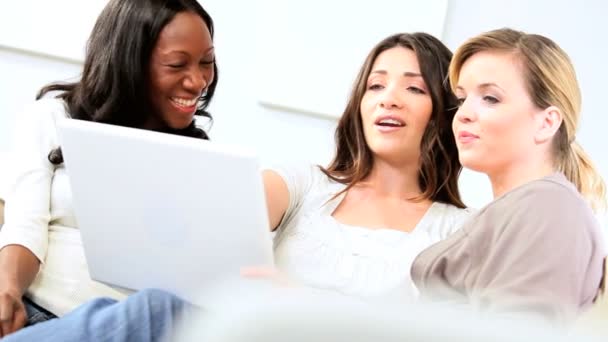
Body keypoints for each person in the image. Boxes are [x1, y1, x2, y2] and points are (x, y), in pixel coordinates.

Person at [2, 32, 472, 341]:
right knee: (158, 309)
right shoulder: (305, 182)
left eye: (413, 88)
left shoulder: (462, 232)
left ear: (444, 110)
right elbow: (207, 217)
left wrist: (301, 305)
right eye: (375, 85)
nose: (389, 97)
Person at [0, 0, 217, 338]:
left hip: (131, 330)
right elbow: (24, 225)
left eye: (207, 62)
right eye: (177, 65)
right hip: (35, 316)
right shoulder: (52, 117)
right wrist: (9, 291)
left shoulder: (198, 159)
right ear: (131, 63)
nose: (198, 81)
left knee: (159, 309)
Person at [410, 28, 607, 324]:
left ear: (546, 123)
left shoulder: (549, 208)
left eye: (490, 98)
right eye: (462, 98)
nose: (463, 114)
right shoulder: (529, 209)